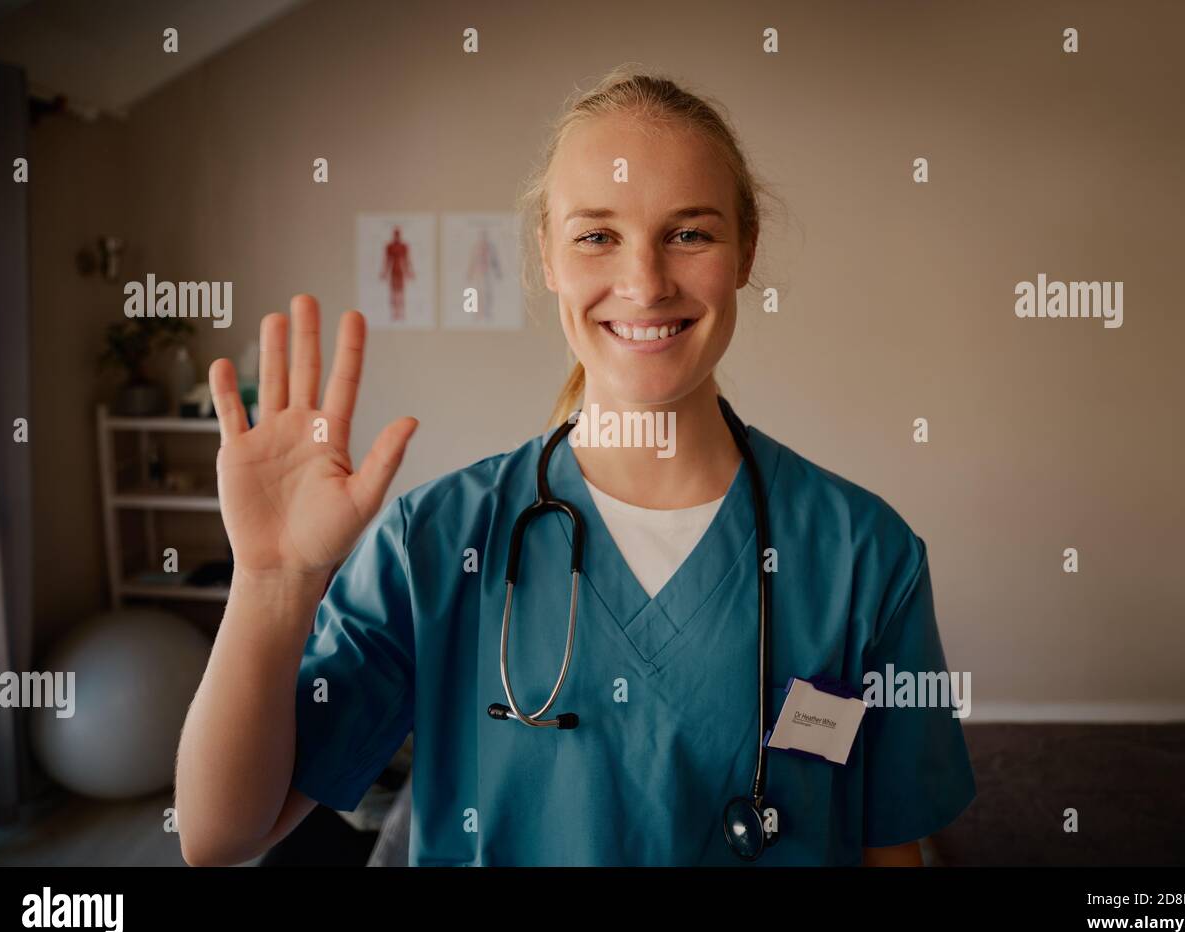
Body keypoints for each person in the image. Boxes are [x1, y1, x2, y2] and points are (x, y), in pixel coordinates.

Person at [174, 68, 975, 867]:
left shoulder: (866, 554)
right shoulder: (437, 542)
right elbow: (220, 834)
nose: (645, 282)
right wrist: (272, 582)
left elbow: (889, 847)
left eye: (689, 233)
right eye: (597, 235)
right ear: (548, 259)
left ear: (745, 252)